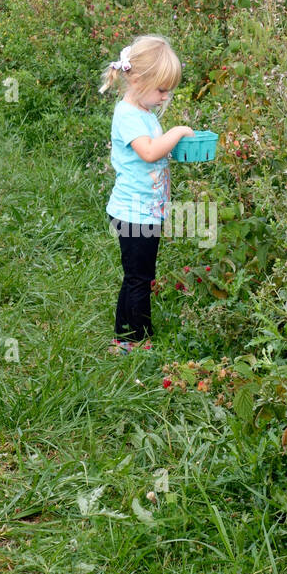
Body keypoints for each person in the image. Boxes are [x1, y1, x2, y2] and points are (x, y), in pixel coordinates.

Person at [99, 34, 193, 353]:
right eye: (162, 90)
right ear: (137, 80)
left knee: (137, 276)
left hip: (145, 212)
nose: (165, 97)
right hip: (132, 213)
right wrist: (177, 132)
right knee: (139, 278)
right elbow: (150, 152)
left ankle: (124, 336)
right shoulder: (128, 116)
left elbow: (156, 151)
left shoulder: (144, 113)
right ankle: (135, 341)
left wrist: (176, 147)